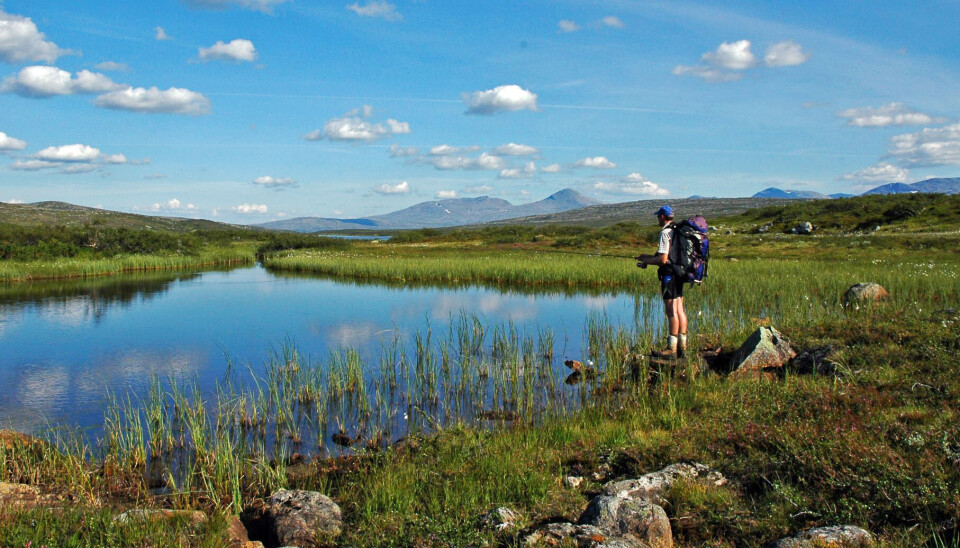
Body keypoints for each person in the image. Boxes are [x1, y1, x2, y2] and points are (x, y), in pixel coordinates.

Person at [635, 205, 687, 358]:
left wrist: (648, 262)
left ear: (663, 217)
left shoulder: (665, 232)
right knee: (680, 310)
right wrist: (646, 257)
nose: (658, 219)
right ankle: (682, 347)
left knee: (671, 312)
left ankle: (671, 349)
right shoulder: (676, 230)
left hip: (669, 275)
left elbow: (663, 259)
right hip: (679, 273)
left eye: (658, 216)